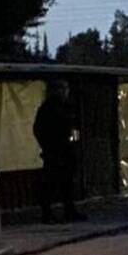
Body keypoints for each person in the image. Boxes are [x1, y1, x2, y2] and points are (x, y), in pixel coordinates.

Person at [33, 80, 86, 223]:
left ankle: (69, 210)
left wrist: (73, 141)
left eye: (65, 89)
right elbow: (39, 129)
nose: (65, 92)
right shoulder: (48, 108)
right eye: (62, 89)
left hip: (66, 149)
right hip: (54, 150)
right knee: (50, 183)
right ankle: (47, 214)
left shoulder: (67, 106)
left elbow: (73, 126)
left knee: (67, 183)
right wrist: (47, 145)